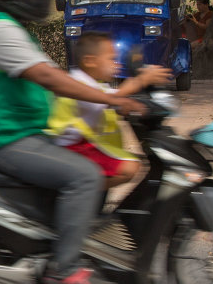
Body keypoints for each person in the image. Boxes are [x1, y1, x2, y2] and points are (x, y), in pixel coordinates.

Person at [0, 0, 144, 284]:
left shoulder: (15, 30)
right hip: (5, 139)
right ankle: (63, 270)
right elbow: (52, 79)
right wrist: (112, 100)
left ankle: (72, 241)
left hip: (28, 133)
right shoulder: (1, 30)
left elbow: (62, 78)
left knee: (98, 162)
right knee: (85, 175)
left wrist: (118, 92)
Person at [48, 32, 171, 189]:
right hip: (71, 148)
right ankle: (83, 190)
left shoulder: (94, 83)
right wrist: (141, 79)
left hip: (81, 145)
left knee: (130, 161)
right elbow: (112, 97)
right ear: (90, 61)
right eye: (111, 59)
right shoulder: (80, 83)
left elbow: (114, 98)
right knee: (129, 168)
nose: (116, 64)